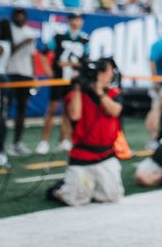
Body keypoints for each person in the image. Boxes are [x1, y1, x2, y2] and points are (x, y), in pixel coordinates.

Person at [48, 58, 125, 206]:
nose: (107, 74)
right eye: (103, 70)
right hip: (82, 155)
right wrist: (78, 87)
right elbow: (75, 115)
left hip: (105, 155)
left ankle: (92, 187)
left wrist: (99, 92)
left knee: (111, 196)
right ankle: (60, 189)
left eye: (106, 70)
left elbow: (115, 111)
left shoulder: (113, 93)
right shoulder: (78, 94)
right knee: (76, 200)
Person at [38, 12, 88, 154]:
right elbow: (43, 52)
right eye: (73, 19)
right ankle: (44, 141)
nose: (76, 22)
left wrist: (77, 69)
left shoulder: (84, 39)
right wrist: (48, 70)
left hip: (73, 79)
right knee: (53, 108)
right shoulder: (59, 36)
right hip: (59, 77)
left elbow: (85, 62)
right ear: (69, 20)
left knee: (68, 110)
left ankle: (63, 140)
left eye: (78, 19)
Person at [3, 9, 39, 156]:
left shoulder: (30, 31)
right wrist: (23, 42)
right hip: (10, 73)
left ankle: (17, 143)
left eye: (23, 16)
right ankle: (0, 144)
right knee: (4, 110)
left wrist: (33, 74)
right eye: (18, 16)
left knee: (22, 111)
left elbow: (32, 56)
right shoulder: (8, 30)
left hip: (26, 75)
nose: (20, 18)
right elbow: (7, 52)